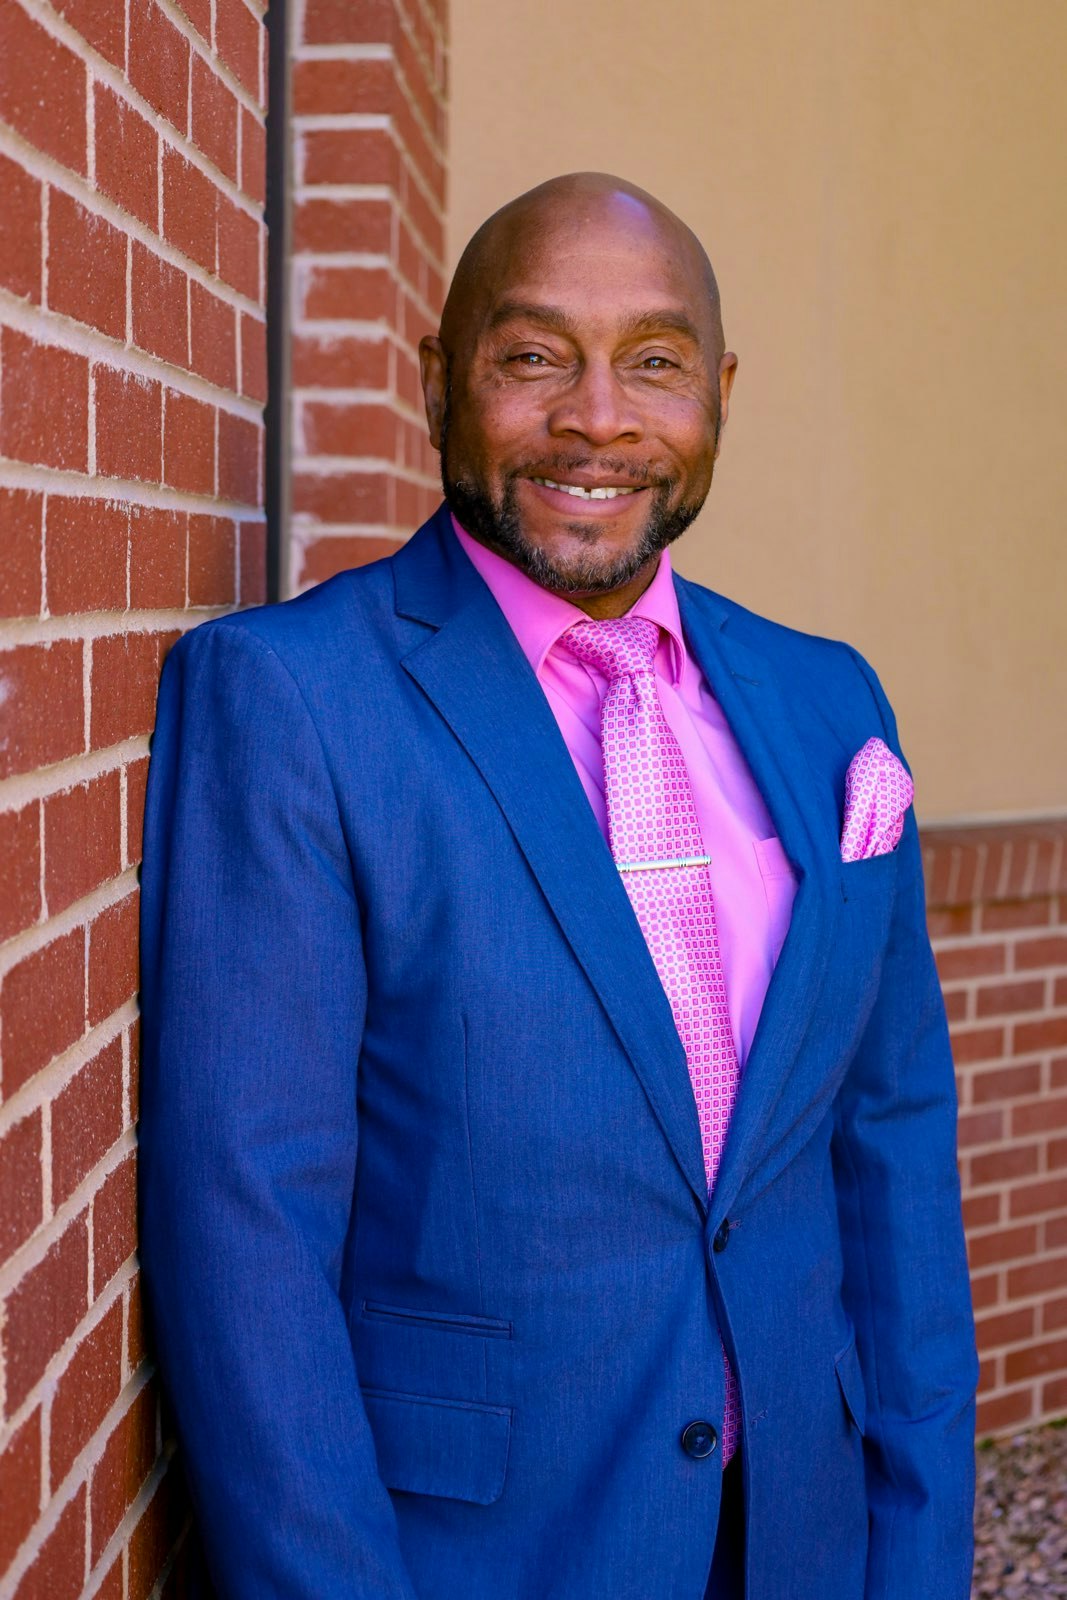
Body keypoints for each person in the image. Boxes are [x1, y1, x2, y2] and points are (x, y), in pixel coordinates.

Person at [138, 172, 978, 1599]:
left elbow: (895, 1164)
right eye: (532, 357)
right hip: (481, 1552)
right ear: (438, 383)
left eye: (653, 363)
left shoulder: (832, 704)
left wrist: (917, 1554)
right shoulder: (293, 696)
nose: (597, 416)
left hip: (804, 1538)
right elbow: (248, 1232)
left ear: (718, 392)